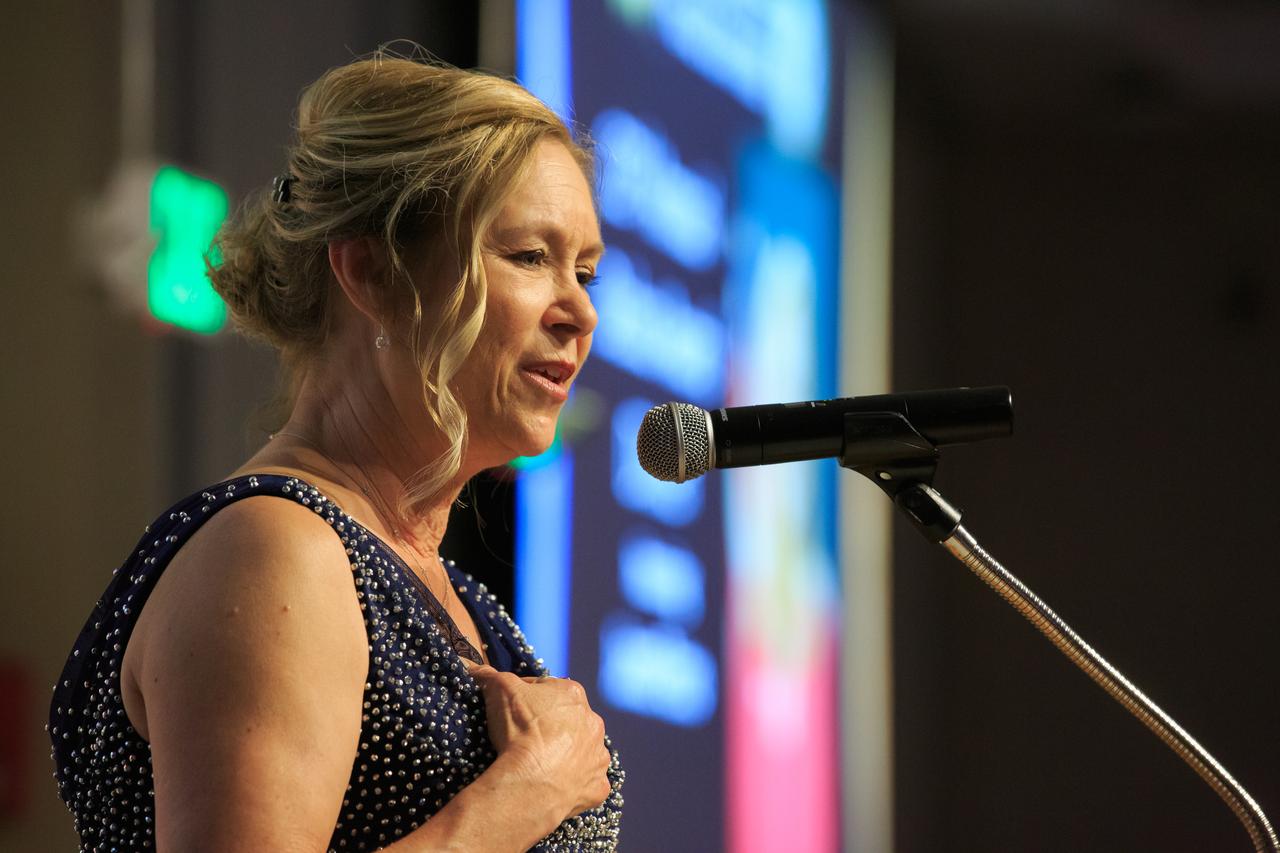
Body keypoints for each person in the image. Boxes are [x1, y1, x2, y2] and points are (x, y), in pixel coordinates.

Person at [49, 52, 623, 852]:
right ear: (374, 273)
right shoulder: (274, 551)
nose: (580, 312)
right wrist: (522, 795)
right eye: (530, 256)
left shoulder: (448, 592)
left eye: (587, 271)